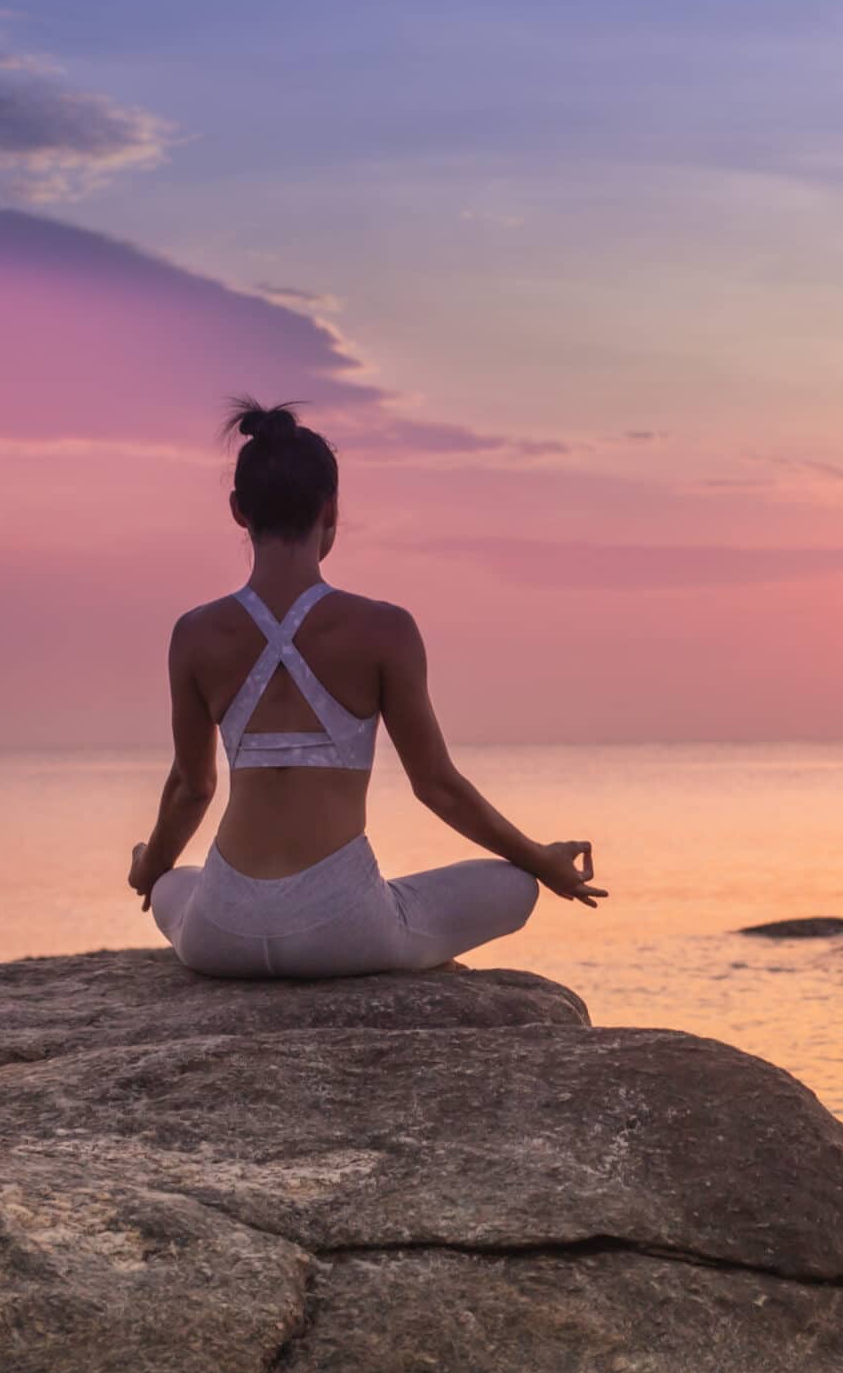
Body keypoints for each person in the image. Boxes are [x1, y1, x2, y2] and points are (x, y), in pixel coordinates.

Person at [127, 398, 605, 977]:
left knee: (178, 881)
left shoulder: (195, 633)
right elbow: (438, 788)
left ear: (238, 511)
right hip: (342, 931)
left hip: (221, 935)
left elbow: (190, 787)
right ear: (331, 509)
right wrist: (543, 861)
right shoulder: (384, 629)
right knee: (516, 885)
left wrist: (148, 868)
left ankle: (187, 890)